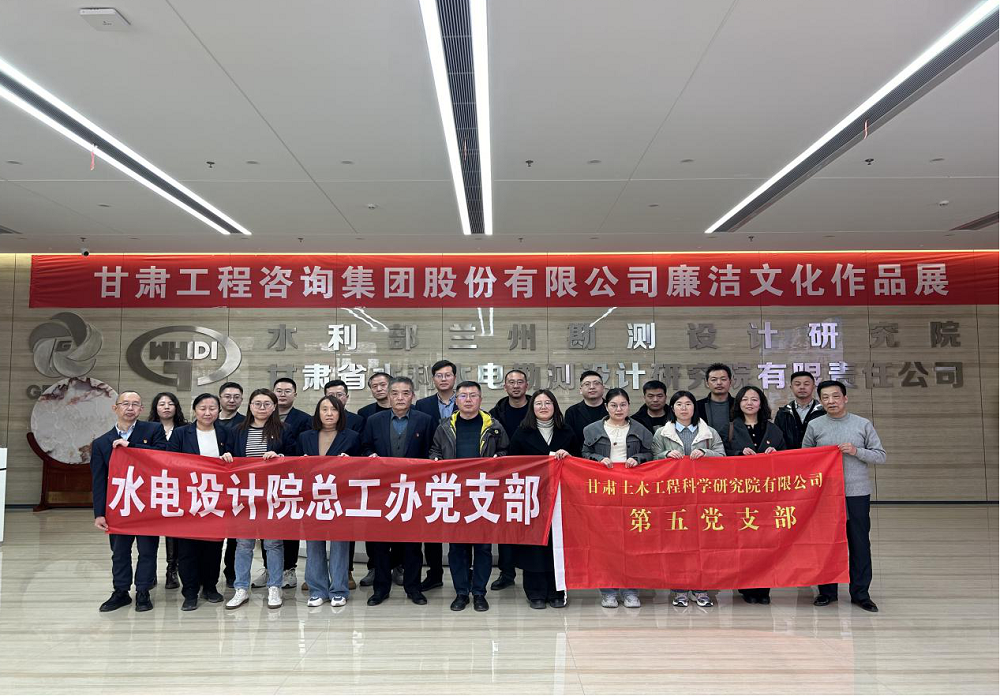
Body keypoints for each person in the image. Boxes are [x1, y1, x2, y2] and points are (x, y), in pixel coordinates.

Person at [803, 380, 886, 613]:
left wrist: (856, 451)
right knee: (827, 544)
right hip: (826, 496)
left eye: (835, 396)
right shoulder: (815, 426)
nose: (831, 401)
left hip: (856, 494)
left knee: (859, 543)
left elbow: (880, 455)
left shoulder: (862, 424)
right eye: (825, 397)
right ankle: (827, 592)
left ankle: (861, 594)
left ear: (845, 398)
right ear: (820, 401)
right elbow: (805, 457)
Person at [429, 381, 509, 612]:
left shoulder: (494, 426)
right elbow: (434, 450)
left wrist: (499, 459)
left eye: (473, 395)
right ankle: (461, 593)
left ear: (480, 399)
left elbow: (505, 450)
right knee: (457, 548)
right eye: (463, 396)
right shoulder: (445, 426)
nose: (468, 400)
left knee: (483, 548)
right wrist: (435, 460)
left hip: (484, 494)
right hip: (454, 493)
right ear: (456, 400)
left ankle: (479, 593)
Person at [360, 376, 436, 606]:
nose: (400, 398)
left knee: (412, 544)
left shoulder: (425, 420)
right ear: (389, 396)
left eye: (405, 393)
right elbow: (364, 447)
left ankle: (413, 588)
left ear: (413, 396)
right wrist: (369, 455)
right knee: (381, 544)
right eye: (395, 393)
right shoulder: (374, 420)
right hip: (382, 492)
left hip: (413, 492)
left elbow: (432, 450)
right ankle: (381, 589)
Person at [89, 391, 167, 612]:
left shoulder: (153, 430)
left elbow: (164, 456)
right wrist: (99, 513)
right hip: (119, 506)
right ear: (115, 408)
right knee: (120, 552)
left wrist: (131, 447)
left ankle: (143, 591)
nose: (130, 408)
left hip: (147, 504)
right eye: (125, 404)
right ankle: (120, 591)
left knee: (147, 551)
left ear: (141, 409)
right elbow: (98, 481)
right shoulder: (101, 442)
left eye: (135, 404)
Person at [652, 390, 725, 608]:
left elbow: (722, 457)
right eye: (679, 404)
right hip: (673, 496)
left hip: (703, 496)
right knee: (677, 543)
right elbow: (653, 459)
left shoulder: (709, 432)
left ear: (695, 407)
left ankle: (701, 589)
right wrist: (665, 455)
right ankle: (679, 590)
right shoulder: (662, 433)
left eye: (688, 404)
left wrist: (706, 453)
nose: (684, 408)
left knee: (702, 543)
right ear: (672, 408)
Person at [581, 388, 653, 609]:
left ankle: (631, 591)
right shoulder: (592, 429)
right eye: (613, 405)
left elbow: (650, 455)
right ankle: (608, 591)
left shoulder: (641, 429)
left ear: (629, 406)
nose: (618, 409)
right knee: (606, 543)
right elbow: (584, 454)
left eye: (623, 405)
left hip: (633, 493)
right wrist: (598, 459)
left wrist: (638, 458)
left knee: (633, 543)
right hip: (604, 492)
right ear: (606, 407)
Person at [508, 389, 579, 609]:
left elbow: (579, 462)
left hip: (561, 497)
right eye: (538, 403)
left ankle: (557, 591)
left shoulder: (567, 432)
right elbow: (513, 464)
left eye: (548, 403)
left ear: (555, 406)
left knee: (557, 544)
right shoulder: (521, 433)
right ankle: (535, 592)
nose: (543, 407)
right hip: (532, 497)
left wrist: (568, 458)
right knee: (534, 546)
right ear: (532, 408)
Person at [227, 388, 294, 610]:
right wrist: (226, 456)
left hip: (272, 494)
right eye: (257, 403)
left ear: (274, 407)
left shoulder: (284, 429)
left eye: (267, 404)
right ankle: (241, 588)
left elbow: (295, 457)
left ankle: (275, 586)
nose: (262, 408)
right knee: (243, 543)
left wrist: (280, 457)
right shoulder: (237, 430)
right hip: (245, 494)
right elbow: (230, 455)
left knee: (273, 543)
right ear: (250, 406)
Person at [166, 394, 235, 611]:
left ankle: (210, 587)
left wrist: (229, 459)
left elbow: (237, 461)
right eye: (202, 408)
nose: (207, 412)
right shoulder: (181, 433)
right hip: (188, 500)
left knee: (213, 547)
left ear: (218, 411)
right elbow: (169, 461)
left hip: (216, 500)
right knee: (188, 549)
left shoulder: (226, 433)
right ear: (194, 410)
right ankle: (190, 592)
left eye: (212, 408)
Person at [299, 395, 362, 609]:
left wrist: (350, 463)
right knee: (314, 544)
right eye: (324, 409)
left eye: (333, 409)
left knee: (340, 545)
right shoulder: (305, 437)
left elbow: (362, 467)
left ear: (340, 413)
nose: (328, 414)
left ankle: (339, 590)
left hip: (340, 498)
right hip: (312, 498)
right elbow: (293, 467)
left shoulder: (352, 437)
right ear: (317, 413)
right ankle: (317, 590)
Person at [725, 386, 786, 604]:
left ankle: (763, 588)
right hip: (739, 494)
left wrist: (776, 454)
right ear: (738, 403)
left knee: (766, 541)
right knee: (743, 541)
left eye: (754, 399)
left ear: (761, 404)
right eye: (745, 399)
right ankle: (746, 587)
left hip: (767, 494)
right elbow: (719, 455)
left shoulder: (773, 429)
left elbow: (788, 457)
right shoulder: (729, 428)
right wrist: (738, 453)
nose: (749, 403)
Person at [413, 359, 458, 591]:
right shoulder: (422, 404)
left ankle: (464, 573)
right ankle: (434, 573)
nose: (444, 379)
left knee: (461, 526)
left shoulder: (465, 400)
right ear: (433, 379)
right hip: (430, 473)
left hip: (461, 474)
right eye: (439, 375)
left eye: (448, 375)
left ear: (454, 378)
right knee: (431, 525)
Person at [487, 368, 530, 591]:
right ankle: (506, 573)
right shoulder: (495, 414)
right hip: (504, 478)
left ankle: (534, 571)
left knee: (532, 524)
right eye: (511, 382)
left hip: (535, 477)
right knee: (505, 526)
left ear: (526, 385)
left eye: (520, 382)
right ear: (505, 387)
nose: (515, 386)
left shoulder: (538, 408)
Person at [267, 377, 308, 588]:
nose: (282, 394)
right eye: (279, 390)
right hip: (265, 483)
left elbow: (301, 450)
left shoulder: (304, 419)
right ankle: (269, 570)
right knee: (266, 528)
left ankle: (289, 569)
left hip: (291, 481)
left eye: (287, 391)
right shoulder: (263, 416)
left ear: (295, 394)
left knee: (289, 526)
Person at [356, 370, 392, 587]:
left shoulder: (412, 411)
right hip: (374, 480)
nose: (379, 389)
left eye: (383, 385)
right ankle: (374, 567)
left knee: (400, 523)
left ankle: (398, 565)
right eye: (374, 386)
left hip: (404, 480)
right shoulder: (365, 413)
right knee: (374, 525)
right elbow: (363, 444)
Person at [148, 391, 186, 590]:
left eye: (170, 403)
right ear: (155, 408)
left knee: (173, 530)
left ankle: (172, 569)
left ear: (176, 407)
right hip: (151, 485)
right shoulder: (146, 429)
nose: (166, 407)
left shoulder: (186, 429)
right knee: (151, 528)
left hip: (178, 486)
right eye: (161, 403)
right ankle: (149, 571)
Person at [216, 381, 244, 587]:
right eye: (227, 396)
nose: (231, 400)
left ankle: (231, 572)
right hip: (211, 486)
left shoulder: (244, 423)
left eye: (236, 397)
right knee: (213, 531)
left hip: (237, 485)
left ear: (242, 400)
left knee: (235, 533)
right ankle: (209, 574)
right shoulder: (207, 420)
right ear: (220, 398)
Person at [774, 371, 825, 449]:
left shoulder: (823, 411)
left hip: (817, 455)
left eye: (806, 384)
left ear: (813, 386)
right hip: (790, 456)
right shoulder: (783, 413)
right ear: (791, 387)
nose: (802, 387)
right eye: (797, 384)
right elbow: (777, 439)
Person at [697, 363, 735, 450]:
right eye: (714, 380)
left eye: (723, 379)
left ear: (730, 382)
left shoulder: (739, 405)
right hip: (706, 452)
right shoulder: (697, 406)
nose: (719, 383)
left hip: (734, 452)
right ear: (707, 383)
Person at [564, 370, 607, 442]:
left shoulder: (613, 408)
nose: (592, 387)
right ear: (581, 390)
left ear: (603, 388)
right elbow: (569, 439)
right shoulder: (572, 412)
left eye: (596, 383)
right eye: (587, 384)